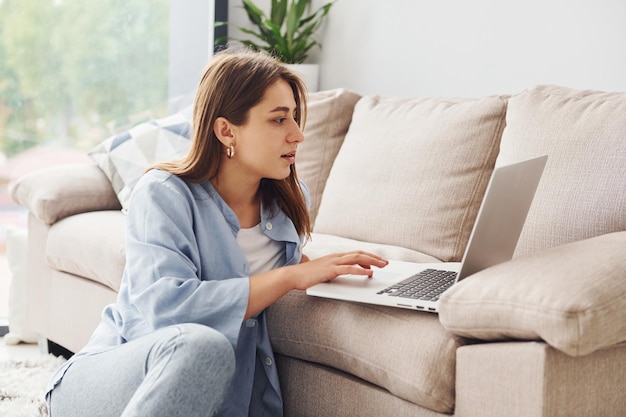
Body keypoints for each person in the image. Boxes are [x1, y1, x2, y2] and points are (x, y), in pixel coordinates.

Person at [46, 49, 389, 417]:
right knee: (201, 346)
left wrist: (336, 275)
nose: (298, 135)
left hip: (212, 396)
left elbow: (261, 269)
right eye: (278, 120)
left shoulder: (289, 200)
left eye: (295, 117)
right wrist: (289, 275)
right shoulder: (163, 194)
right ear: (226, 130)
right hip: (111, 381)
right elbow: (168, 310)